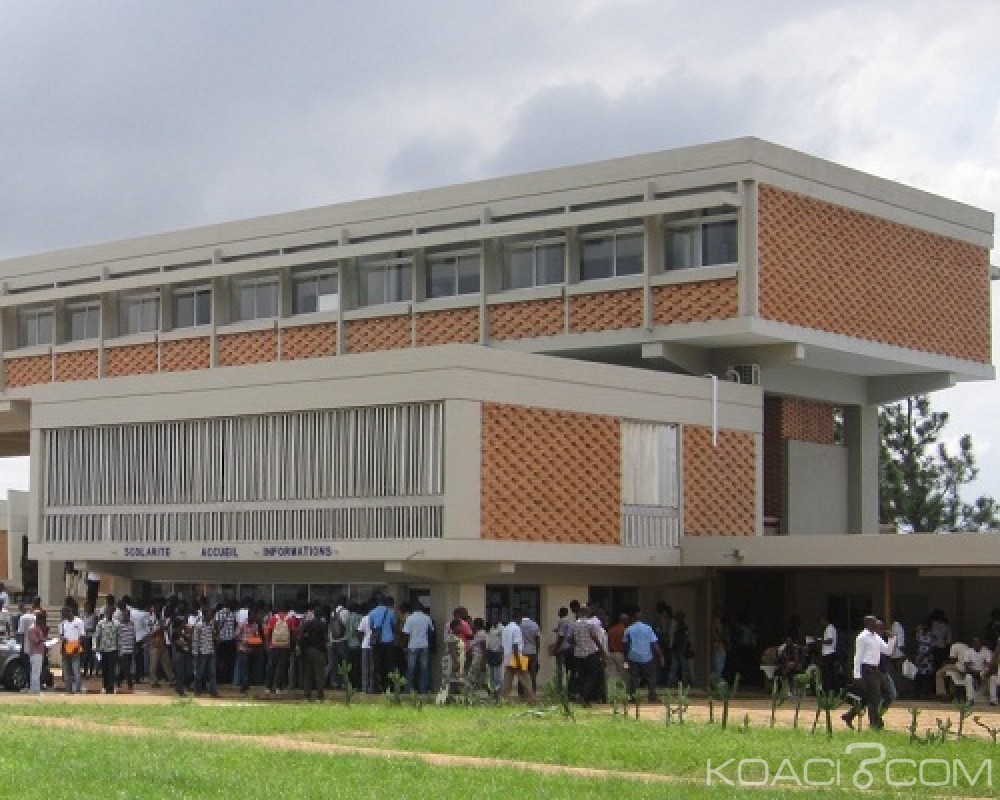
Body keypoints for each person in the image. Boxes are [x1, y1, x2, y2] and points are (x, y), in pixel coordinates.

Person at [842, 615, 895, 731]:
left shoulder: (876, 637)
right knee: (874, 699)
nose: (877, 623)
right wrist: (856, 675)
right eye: (874, 622)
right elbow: (858, 657)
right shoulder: (862, 637)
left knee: (876, 696)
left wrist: (891, 640)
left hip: (875, 670)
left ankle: (849, 715)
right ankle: (874, 725)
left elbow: (887, 651)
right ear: (868, 624)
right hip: (867, 670)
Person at [623, 611, 664, 701]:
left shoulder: (629, 629)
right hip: (647, 656)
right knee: (651, 677)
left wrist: (626, 658)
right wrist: (660, 655)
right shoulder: (648, 628)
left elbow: (625, 644)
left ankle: (633, 697)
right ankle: (652, 696)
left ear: (633, 619)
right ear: (642, 619)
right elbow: (654, 643)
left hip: (633, 656)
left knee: (634, 677)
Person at [501, 611, 534, 702]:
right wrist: (518, 660)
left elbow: (503, 645)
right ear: (518, 618)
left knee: (507, 679)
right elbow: (515, 645)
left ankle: (503, 698)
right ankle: (530, 698)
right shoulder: (516, 629)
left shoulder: (505, 628)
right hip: (516, 656)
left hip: (507, 656)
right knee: (526, 678)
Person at [402, 602, 434, 695]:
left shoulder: (410, 618)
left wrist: (405, 645)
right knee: (424, 669)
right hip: (424, 645)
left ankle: (409, 690)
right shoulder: (427, 617)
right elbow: (431, 631)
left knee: (411, 668)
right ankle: (423, 690)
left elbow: (406, 633)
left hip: (412, 646)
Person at [298, 603, 328, 702]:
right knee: (319, 674)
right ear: (322, 615)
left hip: (308, 650)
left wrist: (302, 649)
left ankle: (307, 695)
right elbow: (325, 639)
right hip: (319, 651)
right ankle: (320, 696)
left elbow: (301, 637)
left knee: (308, 674)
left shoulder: (307, 624)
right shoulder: (323, 625)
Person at [265, 603, 295, 695]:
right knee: (281, 668)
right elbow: (292, 634)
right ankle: (278, 687)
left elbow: (268, 632)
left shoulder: (273, 619)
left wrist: (268, 644)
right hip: (285, 647)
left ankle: (268, 687)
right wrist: (292, 646)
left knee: (271, 667)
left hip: (274, 646)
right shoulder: (290, 620)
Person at [192, 606, 219, 697]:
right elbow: (195, 640)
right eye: (210, 614)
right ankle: (197, 691)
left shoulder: (211, 624)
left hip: (210, 651)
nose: (211, 615)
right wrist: (195, 653)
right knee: (199, 672)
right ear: (204, 614)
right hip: (201, 652)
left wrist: (216, 628)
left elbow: (214, 637)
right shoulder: (199, 625)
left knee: (212, 673)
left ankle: (213, 692)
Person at [94, 606, 120, 695]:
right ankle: (105, 686)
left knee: (111, 669)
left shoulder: (116, 623)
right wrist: (95, 647)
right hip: (103, 649)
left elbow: (119, 637)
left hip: (113, 649)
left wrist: (119, 649)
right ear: (105, 613)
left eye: (110, 612)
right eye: (107, 612)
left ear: (112, 613)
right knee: (105, 669)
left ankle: (111, 687)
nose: (109, 614)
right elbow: (96, 635)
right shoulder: (101, 623)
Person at [60, 605, 85, 694]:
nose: (62, 616)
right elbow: (61, 634)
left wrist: (77, 646)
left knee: (76, 670)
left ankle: (78, 689)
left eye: (64, 614)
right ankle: (69, 689)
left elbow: (82, 636)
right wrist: (62, 638)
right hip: (66, 648)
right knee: (66, 671)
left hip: (75, 647)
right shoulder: (63, 623)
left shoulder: (78, 621)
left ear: (68, 612)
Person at [327, 596, 350, 689]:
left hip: (333, 640)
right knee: (344, 662)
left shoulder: (333, 612)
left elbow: (330, 627)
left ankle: (334, 682)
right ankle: (344, 682)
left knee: (334, 663)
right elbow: (346, 625)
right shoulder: (346, 612)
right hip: (342, 640)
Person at [518, 612, 541, 692]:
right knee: (532, 673)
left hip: (523, 652)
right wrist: (537, 653)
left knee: (522, 673)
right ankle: (533, 691)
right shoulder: (535, 625)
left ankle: (521, 692)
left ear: (521, 616)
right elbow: (538, 641)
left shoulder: (519, 626)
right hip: (533, 652)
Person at [27, 609, 47, 695]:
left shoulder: (38, 628)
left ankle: (34, 689)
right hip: (35, 652)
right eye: (42, 620)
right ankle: (35, 690)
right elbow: (35, 640)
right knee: (36, 672)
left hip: (39, 652)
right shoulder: (32, 628)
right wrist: (43, 639)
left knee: (36, 672)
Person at [818, 614, 839, 691]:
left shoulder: (829, 628)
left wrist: (820, 641)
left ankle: (828, 690)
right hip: (828, 654)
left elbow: (830, 641)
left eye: (821, 621)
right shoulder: (830, 628)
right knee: (827, 673)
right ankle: (827, 689)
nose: (820, 623)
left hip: (829, 654)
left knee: (827, 673)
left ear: (824, 620)